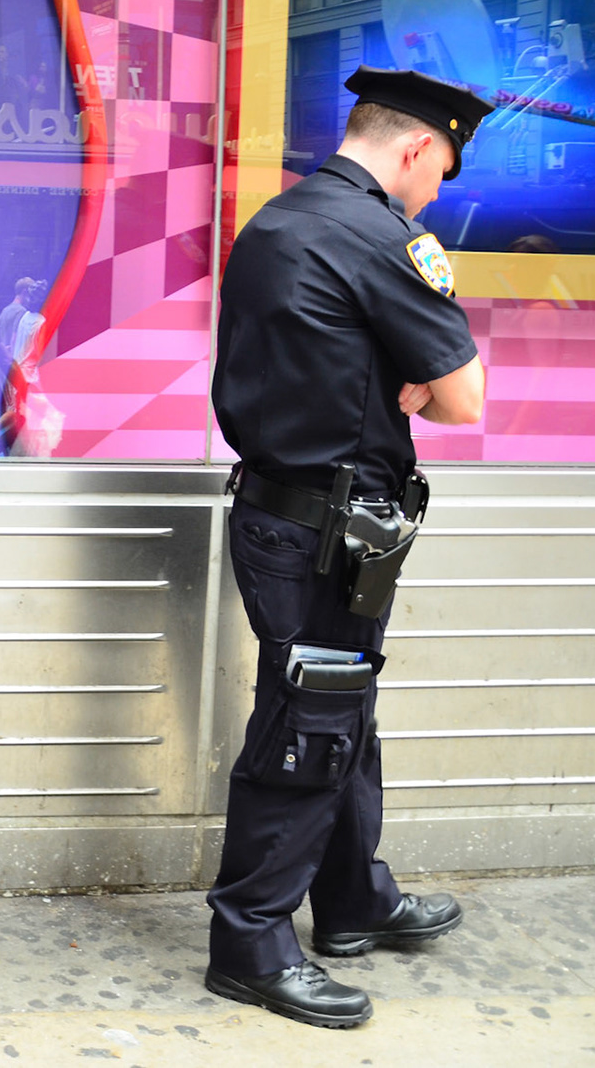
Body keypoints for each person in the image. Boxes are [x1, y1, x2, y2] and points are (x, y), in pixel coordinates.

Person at [205, 66, 491, 1029]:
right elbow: (467, 400)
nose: (437, 190)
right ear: (414, 148)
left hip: (284, 514)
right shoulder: (383, 238)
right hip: (329, 528)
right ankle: (250, 940)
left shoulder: (275, 223)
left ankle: (355, 899)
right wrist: (414, 388)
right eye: (441, 168)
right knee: (310, 720)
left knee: (338, 704)